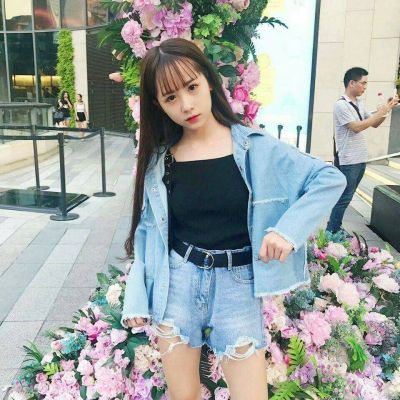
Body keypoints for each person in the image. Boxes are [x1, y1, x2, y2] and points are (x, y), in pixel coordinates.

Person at [121, 38, 346, 400]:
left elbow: (329, 178)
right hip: (178, 281)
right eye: (170, 98)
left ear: (209, 81)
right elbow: (148, 232)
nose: (186, 105)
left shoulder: (255, 147)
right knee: (183, 396)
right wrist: (136, 296)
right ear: (158, 105)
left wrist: (287, 231)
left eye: (191, 87)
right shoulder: (162, 160)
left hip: (238, 285)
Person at [327, 67, 399, 234]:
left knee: (347, 196)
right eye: (363, 83)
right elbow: (356, 127)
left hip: (360, 159)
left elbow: (374, 123)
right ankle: (332, 231)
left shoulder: (358, 103)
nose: (365, 87)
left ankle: (335, 227)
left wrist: (386, 109)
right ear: (352, 83)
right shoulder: (341, 105)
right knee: (344, 197)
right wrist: (381, 112)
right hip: (348, 160)